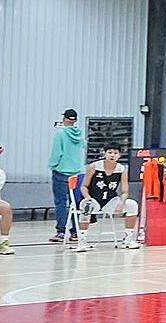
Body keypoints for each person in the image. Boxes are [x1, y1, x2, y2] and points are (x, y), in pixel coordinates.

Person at [75, 147, 141, 251]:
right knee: (86, 206)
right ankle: (82, 242)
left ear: (119, 156)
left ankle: (127, 240)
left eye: (115, 153)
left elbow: (125, 192)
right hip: (93, 199)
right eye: (109, 152)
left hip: (110, 201)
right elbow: (83, 187)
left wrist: (121, 203)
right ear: (104, 154)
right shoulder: (94, 166)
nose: (112, 155)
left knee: (132, 205)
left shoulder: (122, 169)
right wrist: (88, 198)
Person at [48, 108, 86, 243]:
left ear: (64, 119)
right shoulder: (80, 134)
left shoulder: (60, 134)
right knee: (75, 204)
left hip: (61, 172)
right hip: (77, 173)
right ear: (75, 120)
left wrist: (53, 165)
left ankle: (60, 232)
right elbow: (83, 147)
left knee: (60, 203)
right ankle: (75, 232)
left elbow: (56, 153)